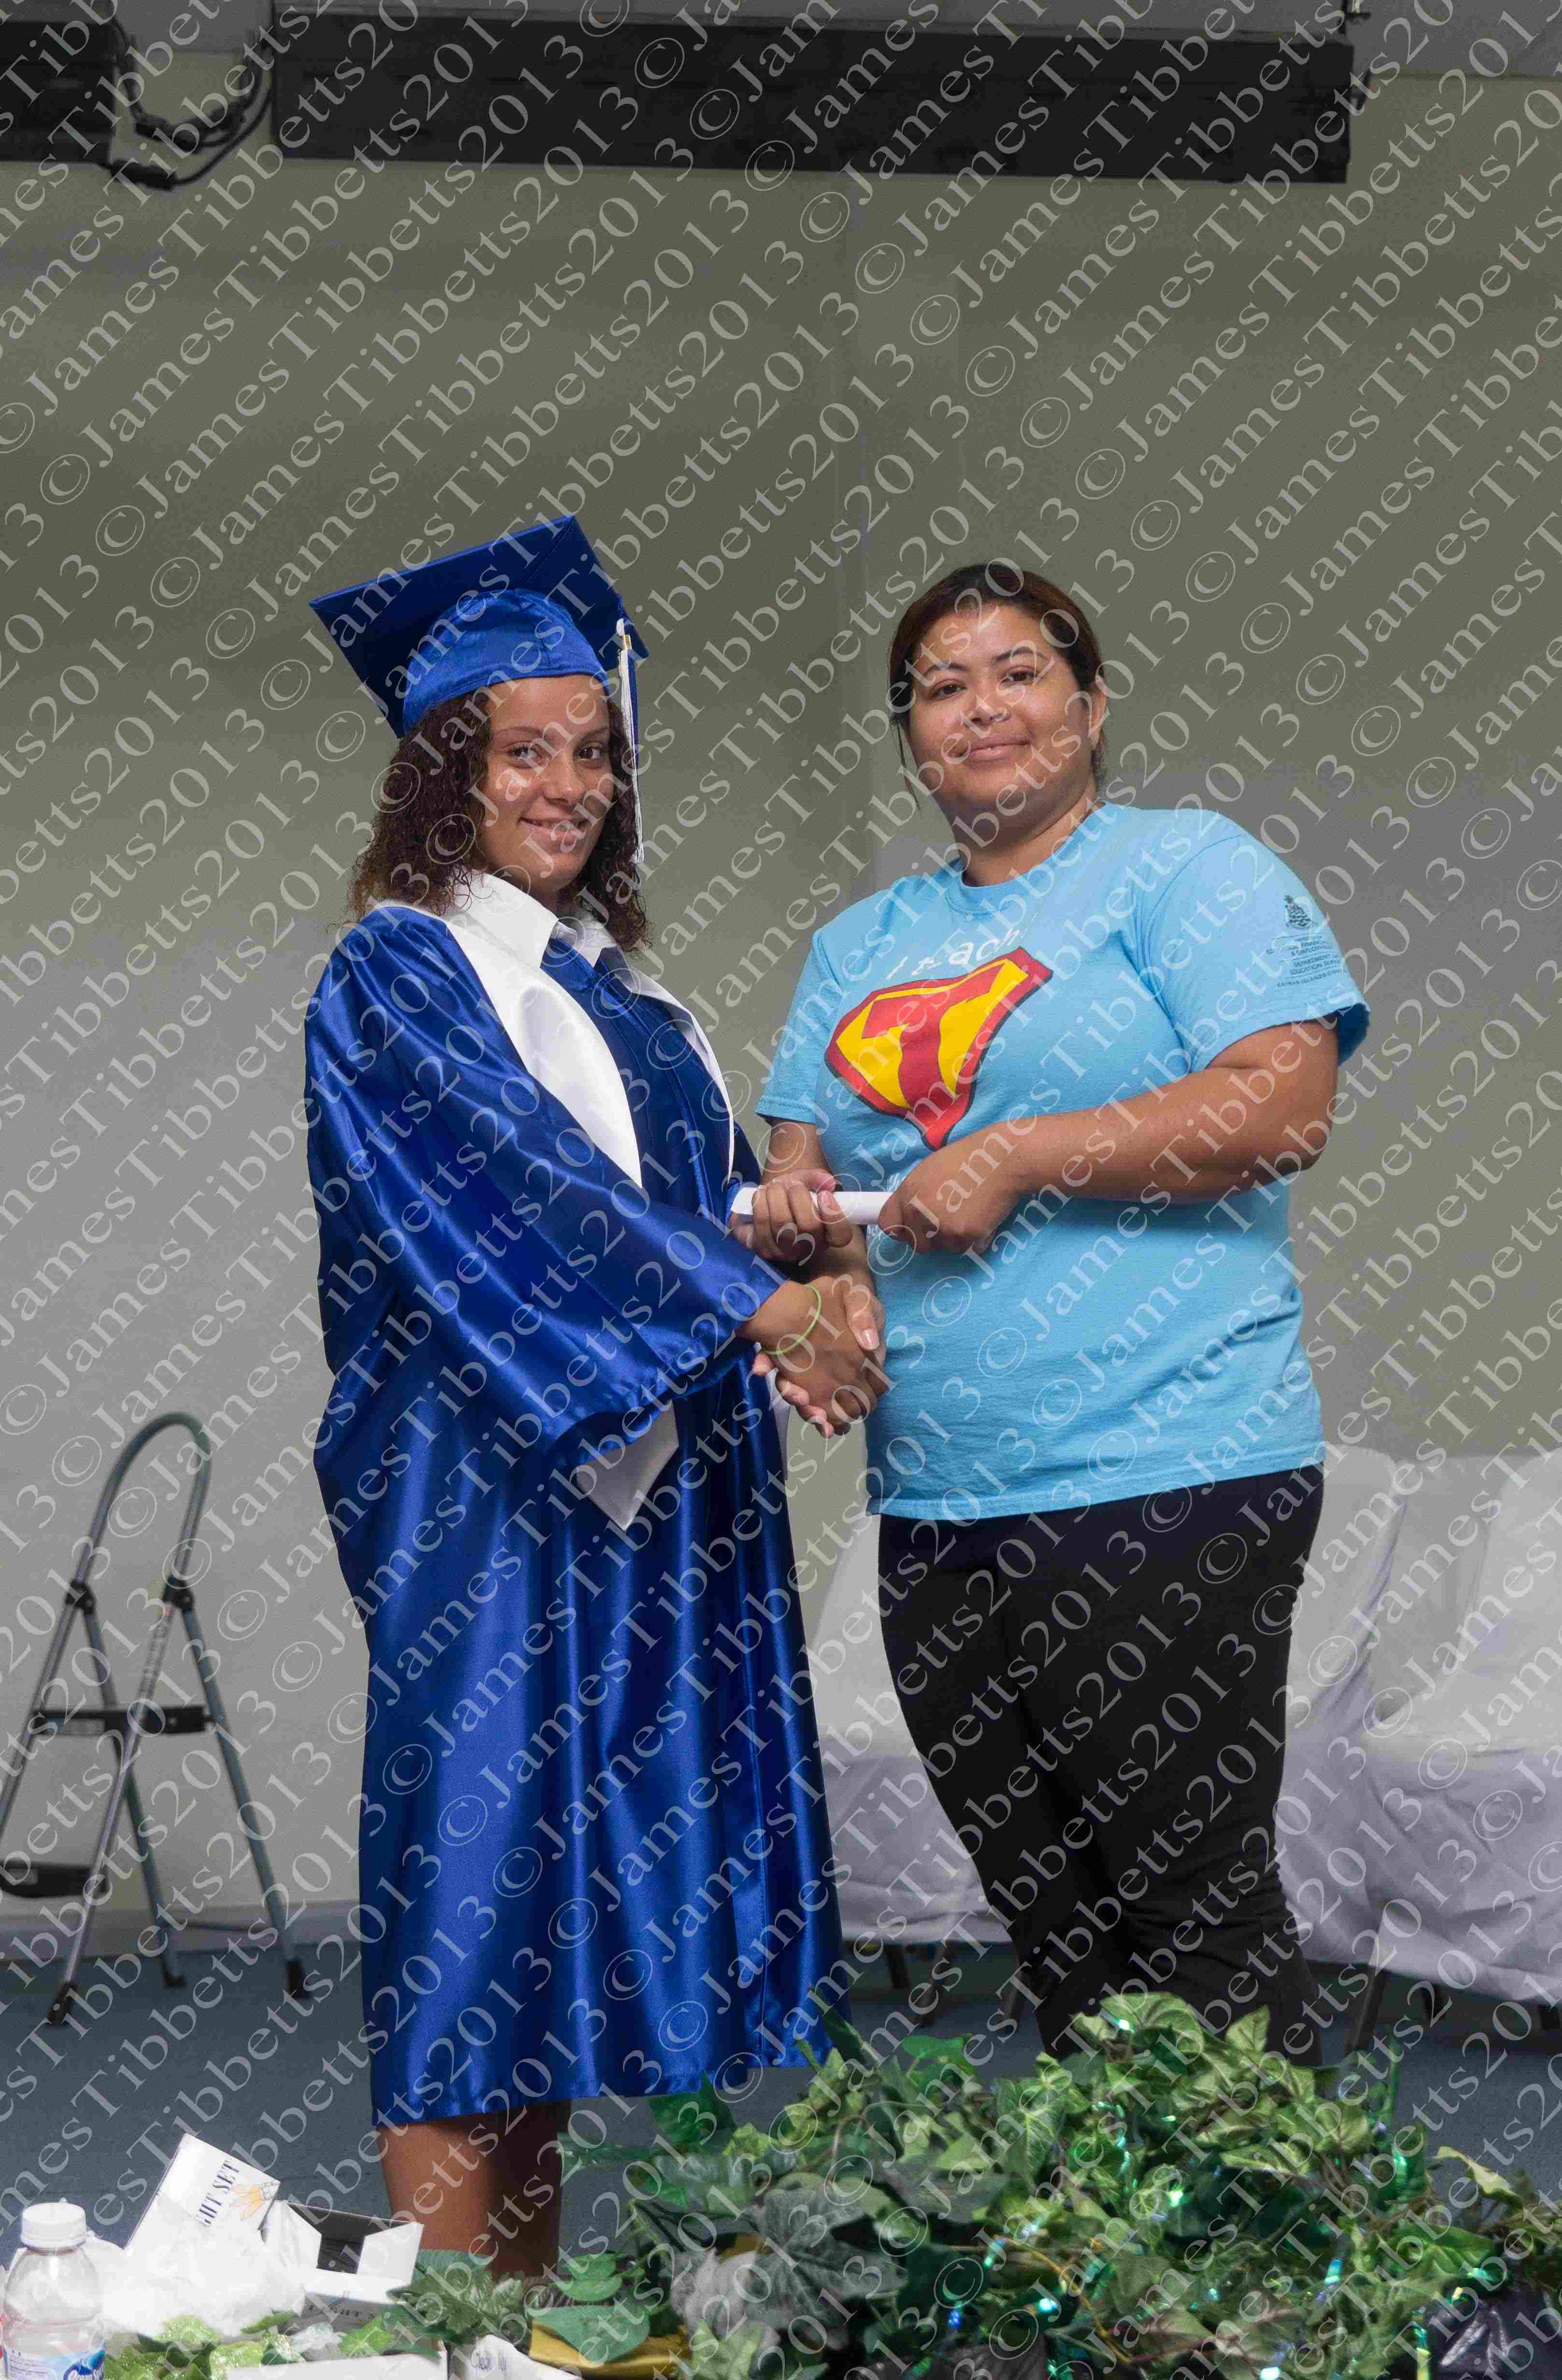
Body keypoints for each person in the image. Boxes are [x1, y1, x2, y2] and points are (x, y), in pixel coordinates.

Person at [300, 516, 886, 2276]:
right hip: (491, 1488)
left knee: (545, 1929)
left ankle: (521, 2321)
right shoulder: (402, 968)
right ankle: (441, 2335)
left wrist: (783, 1230)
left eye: (593, 753)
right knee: (471, 1900)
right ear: (446, 775)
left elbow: (666, 1199)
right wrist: (762, 1304)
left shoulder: (626, 994)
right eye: (524, 752)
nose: (567, 787)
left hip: (654, 1492)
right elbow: (514, 1188)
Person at [750, 558, 1371, 2063]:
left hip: (1164, 1471)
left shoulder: (1185, 870)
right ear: (911, 740)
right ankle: (1124, 2220)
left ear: (1089, 710)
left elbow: (1281, 1104)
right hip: (938, 1499)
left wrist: (1021, 1153)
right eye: (941, 689)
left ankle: (1273, 2220)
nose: (982, 709)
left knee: (1193, 1915)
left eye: (1019, 673)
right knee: (1059, 1929)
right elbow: (806, 1185)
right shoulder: (857, 944)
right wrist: (815, 1295)